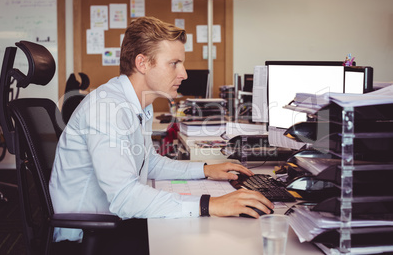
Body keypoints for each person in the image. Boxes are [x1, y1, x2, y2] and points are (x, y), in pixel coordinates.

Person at [49, 16, 273, 244]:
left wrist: (205, 170)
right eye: (174, 63)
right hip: (89, 235)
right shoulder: (108, 109)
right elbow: (125, 198)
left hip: (109, 221)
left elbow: (150, 163)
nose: (184, 73)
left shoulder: (135, 104)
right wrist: (210, 204)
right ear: (142, 63)